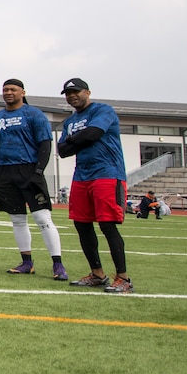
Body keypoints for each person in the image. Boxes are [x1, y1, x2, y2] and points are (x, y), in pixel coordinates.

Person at [0, 81, 67, 279]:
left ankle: (58, 265)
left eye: (13, 89)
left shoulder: (34, 114)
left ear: (23, 92)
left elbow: (45, 143)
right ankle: (26, 262)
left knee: (42, 218)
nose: (8, 92)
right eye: (5, 89)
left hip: (29, 169)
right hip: (5, 172)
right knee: (17, 219)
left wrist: (38, 170)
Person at [59, 79, 134, 293]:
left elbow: (94, 134)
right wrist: (79, 138)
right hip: (82, 175)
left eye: (75, 92)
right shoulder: (70, 120)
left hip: (107, 173)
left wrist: (75, 139)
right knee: (82, 225)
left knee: (107, 225)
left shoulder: (103, 110)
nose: (72, 96)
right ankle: (98, 274)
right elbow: (63, 150)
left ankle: (123, 278)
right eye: (67, 93)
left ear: (87, 92)